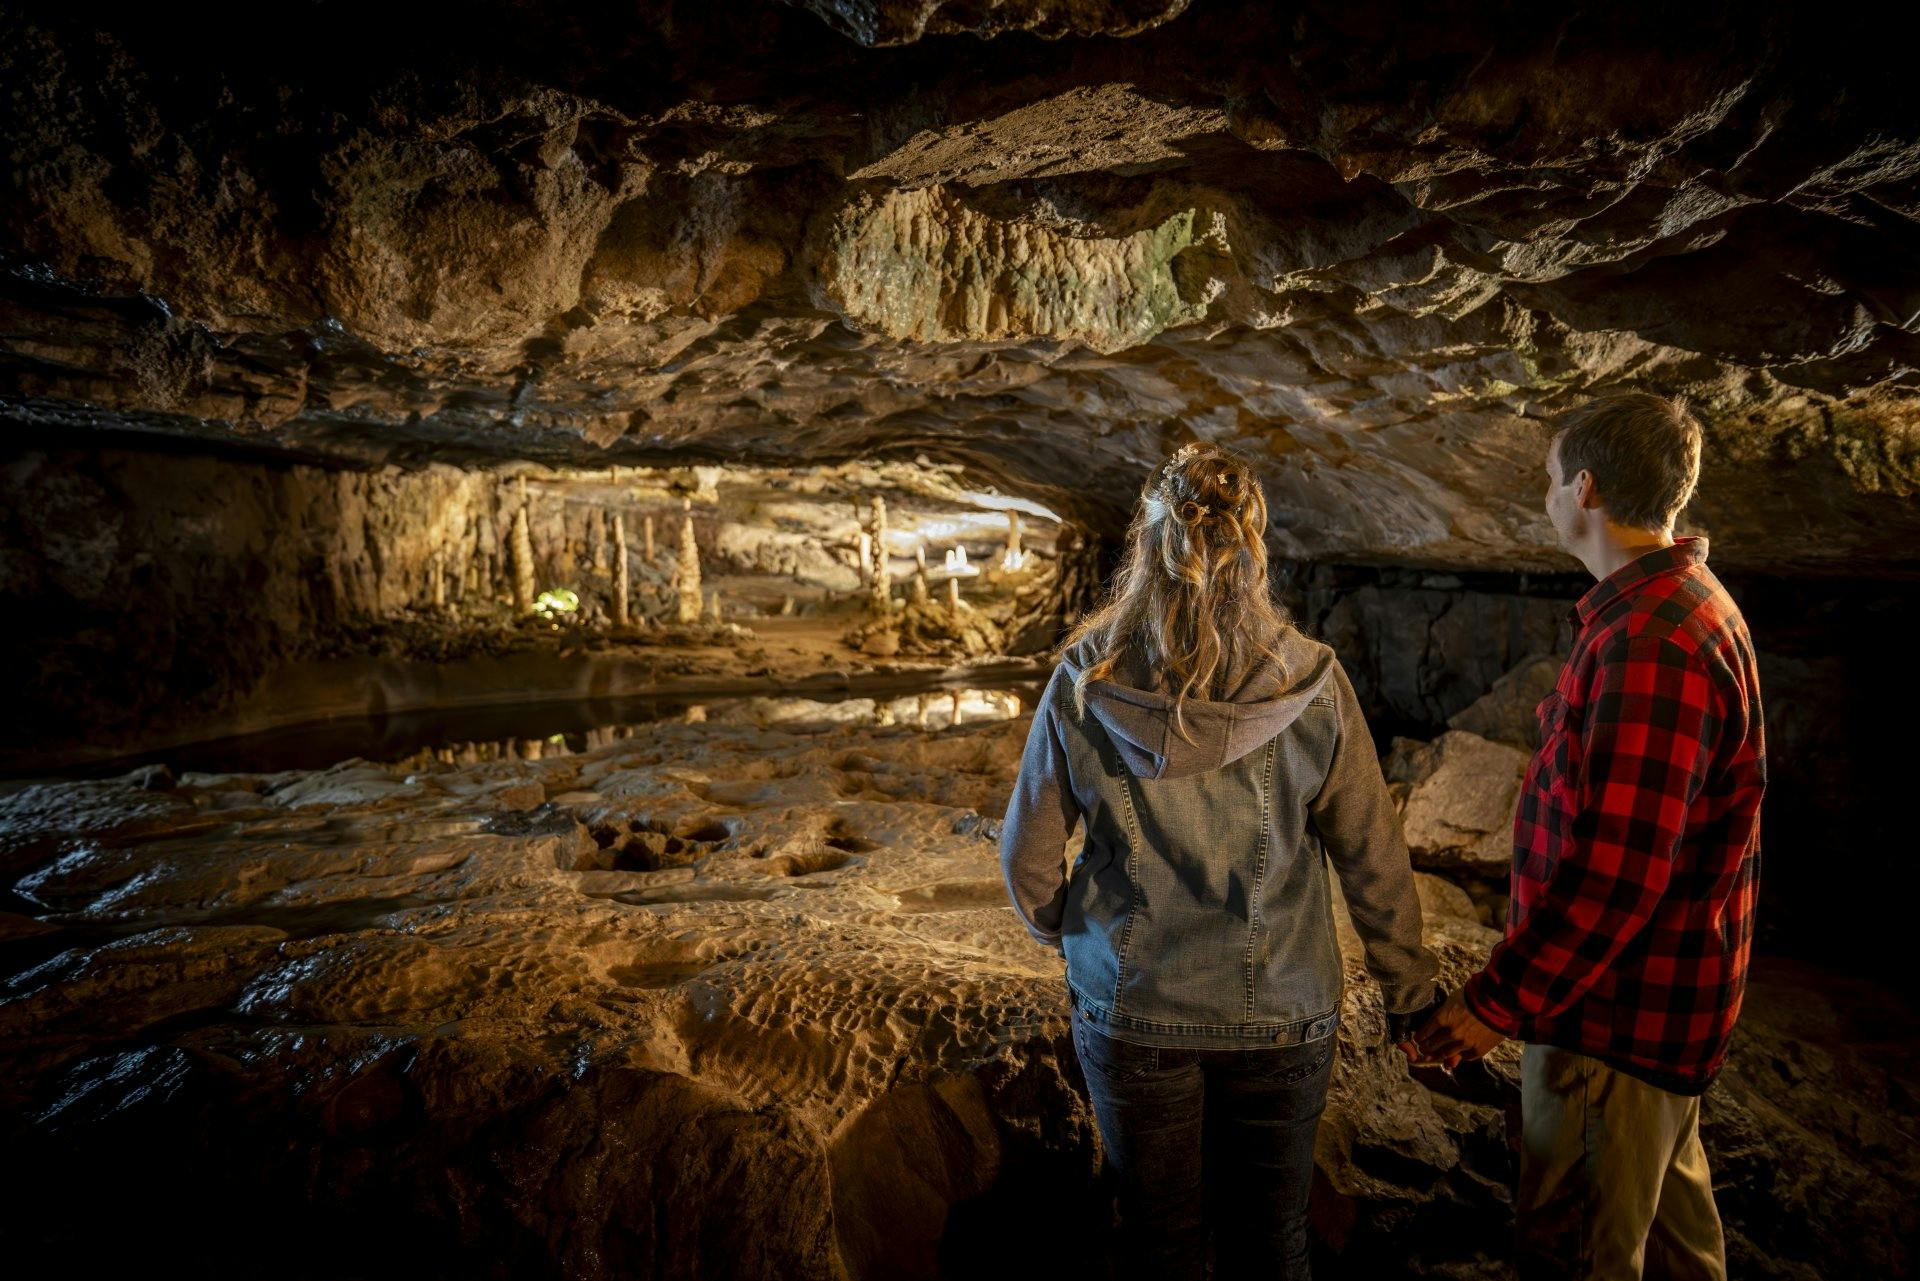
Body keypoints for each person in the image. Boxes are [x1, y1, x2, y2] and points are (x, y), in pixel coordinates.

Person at [998, 440, 1441, 1281]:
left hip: (1135, 1008)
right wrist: (1409, 990)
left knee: (1158, 1247)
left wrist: (1073, 932)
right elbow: (1374, 858)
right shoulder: (1314, 684)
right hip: (1283, 1008)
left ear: (1149, 548)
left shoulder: (1084, 682)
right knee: (1272, 1246)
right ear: (1256, 552)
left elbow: (1028, 858)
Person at [1412, 392, 1766, 1280]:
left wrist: (1494, 1004)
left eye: (1548, 481)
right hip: (1656, 1011)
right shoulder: (1680, 604)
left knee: (1577, 1250)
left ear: (1587, 488)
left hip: (1610, 1025)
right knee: (1676, 1246)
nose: (1545, 498)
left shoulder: (1652, 641)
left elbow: (1616, 874)